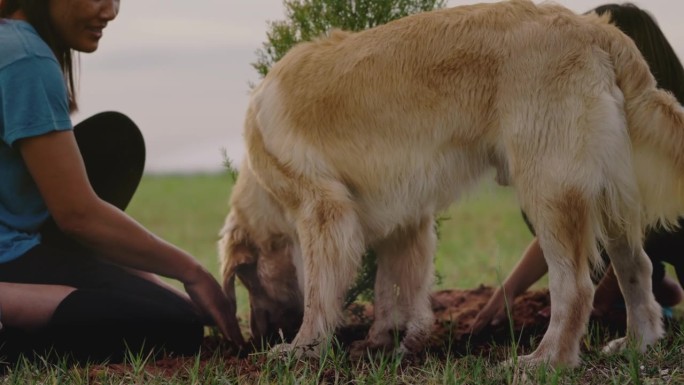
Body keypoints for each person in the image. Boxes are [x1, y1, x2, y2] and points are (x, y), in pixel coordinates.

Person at [0, 0, 245, 363]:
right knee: (170, 327)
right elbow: (76, 215)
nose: (111, 10)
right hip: (9, 256)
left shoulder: (13, 42)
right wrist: (192, 273)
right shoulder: (25, 58)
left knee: (113, 141)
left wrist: (160, 287)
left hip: (21, 242)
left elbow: (68, 226)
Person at [472, 3, 684, 333]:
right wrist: (509, 290)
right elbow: (574, 212)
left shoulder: (668, 133)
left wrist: (599, 301)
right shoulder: (609, 127)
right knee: (557, 201)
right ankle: (656, 285)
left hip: (672, 231)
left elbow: (642, 225)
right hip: (650, 239)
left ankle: (652, 288)